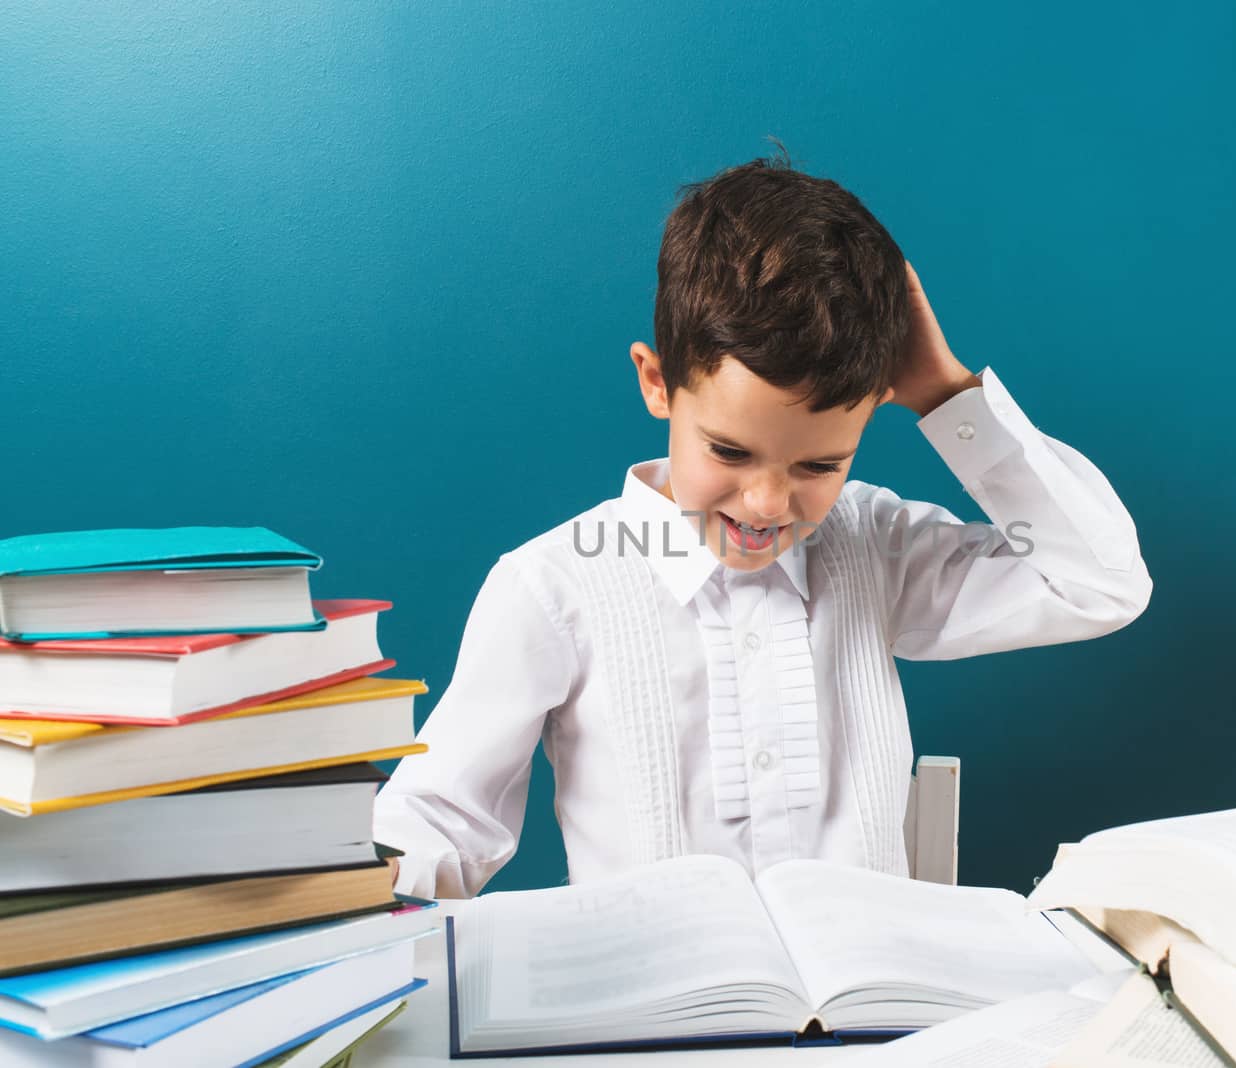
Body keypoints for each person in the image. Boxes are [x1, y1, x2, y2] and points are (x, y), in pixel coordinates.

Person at [374, 152, 1153, 898]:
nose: (768, 505)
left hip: (871, 1025)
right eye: (729, 451)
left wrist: (946, 395)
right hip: (652, 1023)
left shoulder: (873, 544)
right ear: (657, 383)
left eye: (819, 466)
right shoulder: (553, 586)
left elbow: (1099, 584)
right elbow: (439, 817)